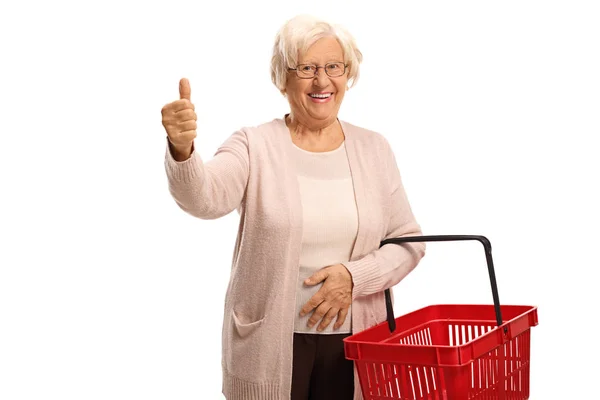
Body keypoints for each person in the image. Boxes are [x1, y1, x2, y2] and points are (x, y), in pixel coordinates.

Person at [161, 14, 426, 400]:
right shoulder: (254, 145)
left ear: (347, 74)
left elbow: (408, 242)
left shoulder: (374, 148)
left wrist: (356, 278)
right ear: (282, 78)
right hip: (270, 343)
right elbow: (204, 197)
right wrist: (182, 150)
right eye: (306, 68)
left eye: (334, 66)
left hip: (358, 344)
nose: (322, 81)